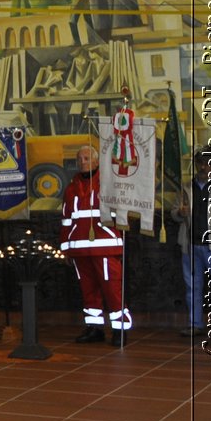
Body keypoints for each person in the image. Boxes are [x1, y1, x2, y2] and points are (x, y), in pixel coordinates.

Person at [60, 144, 130, 345]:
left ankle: (120, 330)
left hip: (105, 247)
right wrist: (66, 248)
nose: (83, 162)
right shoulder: (71, 187)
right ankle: (94, 328)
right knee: (88, 290)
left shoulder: (109, 184)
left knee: (112, 289)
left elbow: (121, 212)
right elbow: (66, 219)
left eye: (87, 158)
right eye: (80, 159)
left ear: (97, 161)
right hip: (79, 250)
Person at [174, 148, 211, 337]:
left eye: (209, 162)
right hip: (191, 245)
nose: (204, 167)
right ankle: (195, 324)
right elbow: (174, 213)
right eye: (201, 162)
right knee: (192, 288)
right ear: (196, 165)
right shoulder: (186, 187)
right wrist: (180, 213)